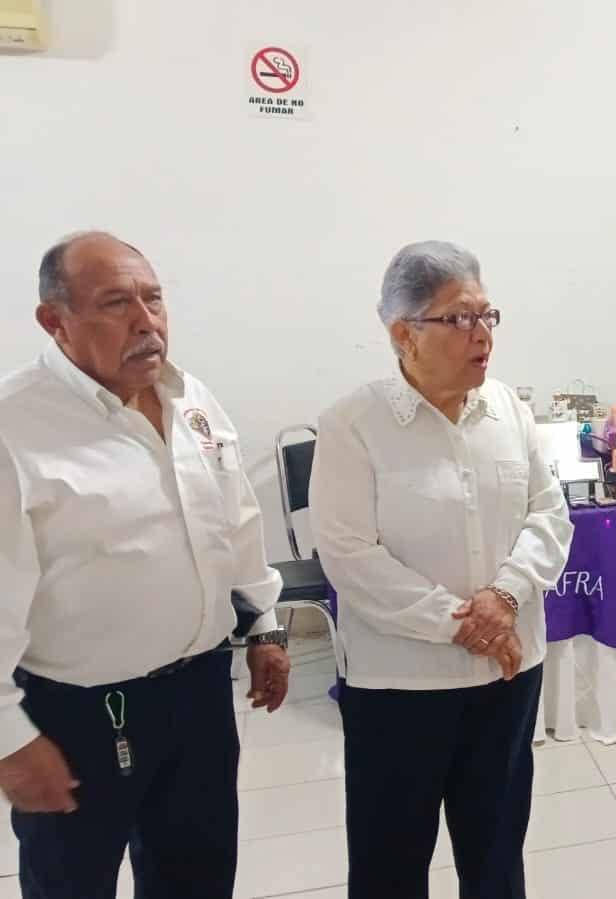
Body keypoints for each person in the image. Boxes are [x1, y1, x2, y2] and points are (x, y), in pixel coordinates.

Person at [0, 231, 290, 898]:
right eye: (114, 303)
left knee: (197, 873)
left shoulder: (191, 399)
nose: (146, 321)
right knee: (73, 882)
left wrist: (265, 626)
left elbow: (237, 521)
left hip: (197, 696)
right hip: (75, 715)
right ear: (55, 320)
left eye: (153, 299)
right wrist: (8, 737)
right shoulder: (15, 426)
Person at [309, 241, 573, 899]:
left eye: (488, 316)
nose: (482, 335)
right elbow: (350, 555)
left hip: (507, 679)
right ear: (404, 334)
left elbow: (550, 513)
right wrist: (466, 623)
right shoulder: (353, 424)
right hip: (399, 688)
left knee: (495, 855)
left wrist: (506, 598)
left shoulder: (507, 409)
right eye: (460, 319)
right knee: (389, 863)